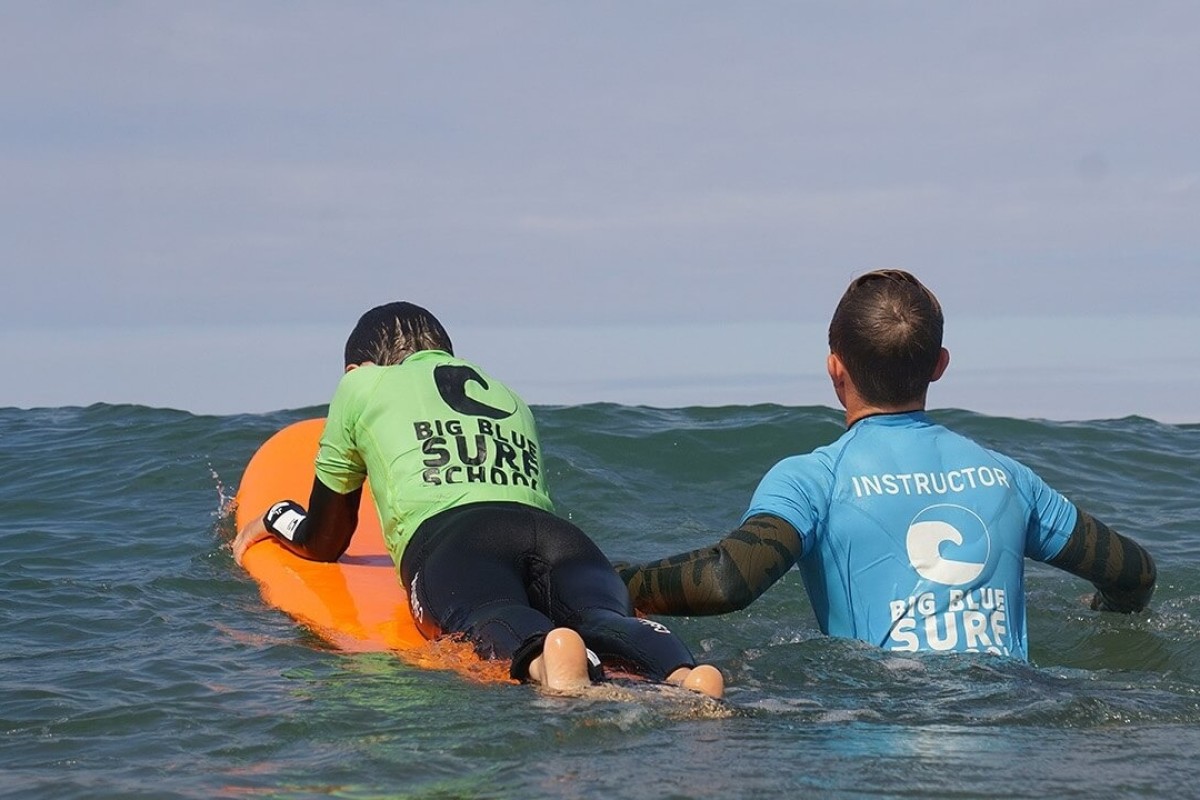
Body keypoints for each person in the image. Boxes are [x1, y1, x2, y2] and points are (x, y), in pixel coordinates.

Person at [618, 269, 1156, 660]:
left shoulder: (814, 480)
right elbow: (1134, 573)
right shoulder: (1009, 478)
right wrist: (1104, 613)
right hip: (1011, 718)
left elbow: (724, 582)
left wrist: (607, 581)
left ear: (835, 368)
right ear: (940, 365)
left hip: (880, 722)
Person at [233, 301, 723, 697]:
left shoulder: (361, 384)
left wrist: (276, 516)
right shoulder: (506, 394)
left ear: (355, 366)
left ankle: (547, 664)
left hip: (458, 544)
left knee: (489, 614)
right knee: (603, 618)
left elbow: (325, 538)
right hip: (562, 541)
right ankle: (685, 676)